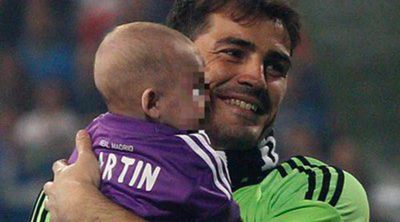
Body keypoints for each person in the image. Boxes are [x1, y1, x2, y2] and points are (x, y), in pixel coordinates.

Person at [34, 0, 370, 221]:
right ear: (176, 60)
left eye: (276, 67)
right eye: (232, 53)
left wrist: (90, 211)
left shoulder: (318, 191)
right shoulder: (83, 172)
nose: (256, 77)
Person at [31, 22, 240, 221]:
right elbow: (225, 214)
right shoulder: (193, 154)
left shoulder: (91, 137)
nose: (208, 95)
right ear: (153, 103)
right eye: (197, 88)